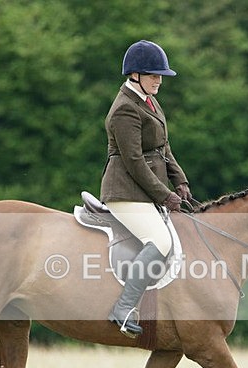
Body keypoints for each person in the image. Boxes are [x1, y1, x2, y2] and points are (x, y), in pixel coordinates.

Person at [100, 40, 192, 337]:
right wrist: (165, 195)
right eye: (154, 75)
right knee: (160, 242)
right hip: (125, 192)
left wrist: (180, 181)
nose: (159, 80)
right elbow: (135, 161)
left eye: (160, 75)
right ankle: (123, 309)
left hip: (144, 191)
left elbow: (164, 147)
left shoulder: (149, 100)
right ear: (135, 74)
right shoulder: (125, 109)